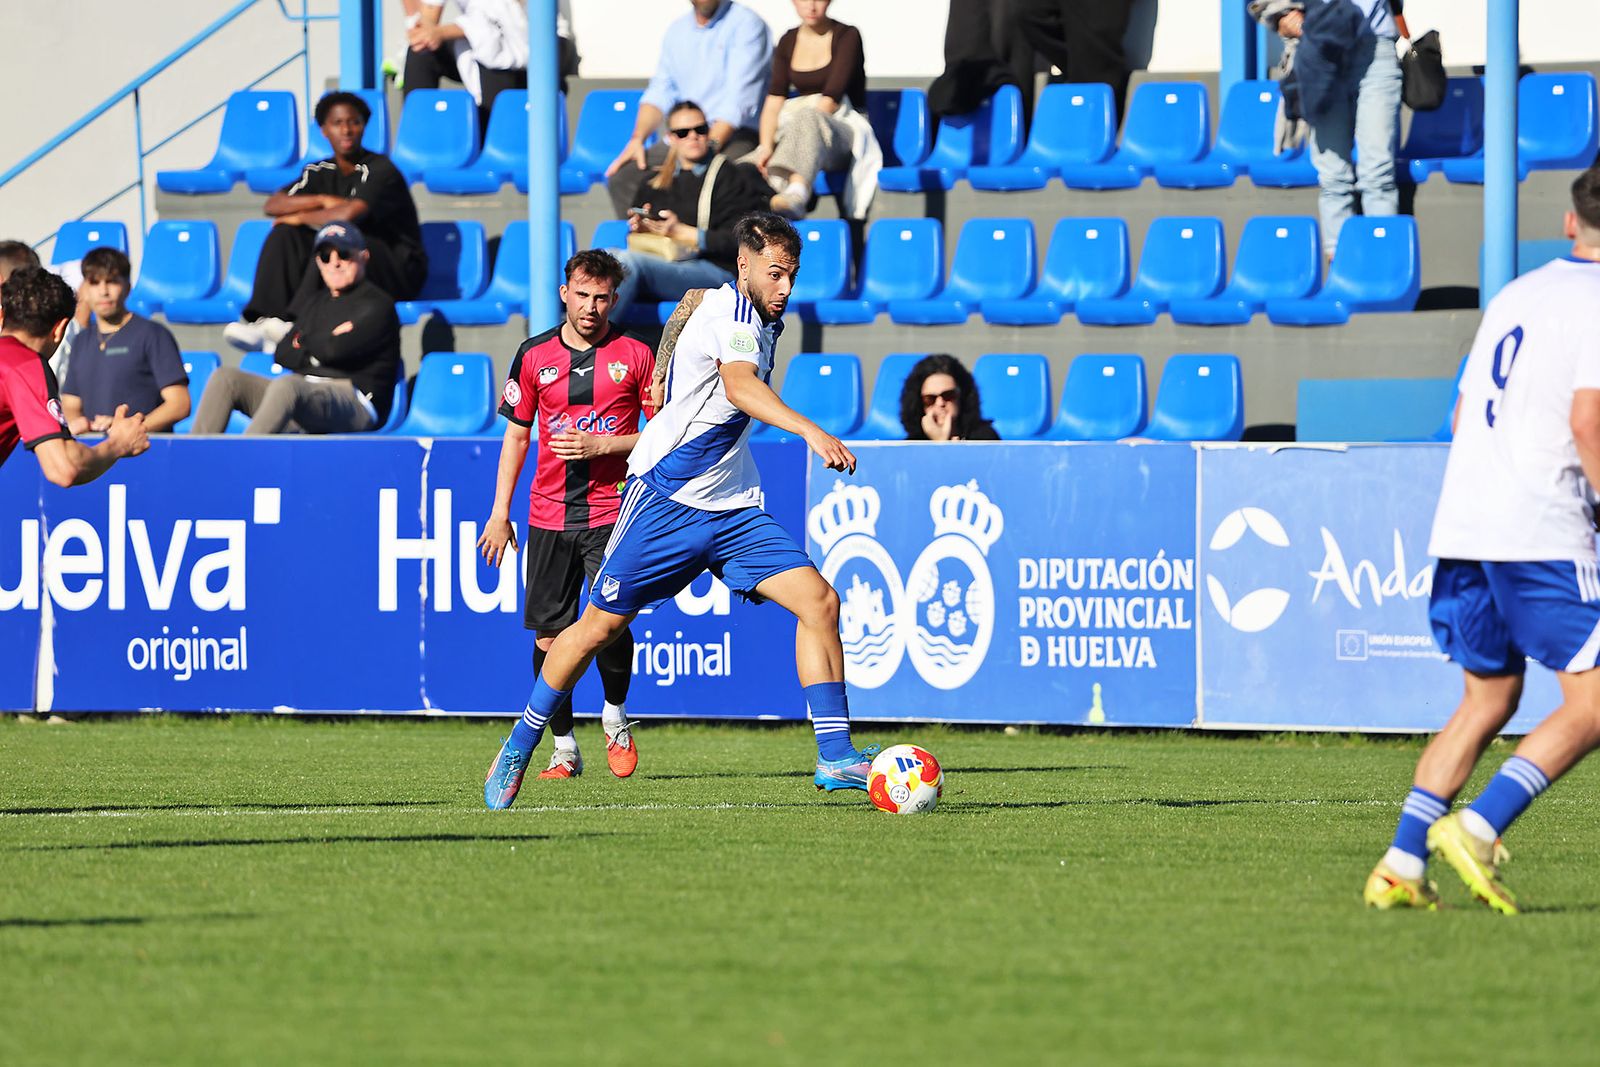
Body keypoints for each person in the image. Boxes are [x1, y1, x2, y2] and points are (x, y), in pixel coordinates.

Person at [483, 213, 870, 811]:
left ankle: (836, 755)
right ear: (744, 267)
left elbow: (695, 329)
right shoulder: (733, 314)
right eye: (775, 273)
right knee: (595, 629)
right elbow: (739, 386)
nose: (785, 287)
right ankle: (521, 741)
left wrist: (671, 352)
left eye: (791, 274)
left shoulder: (753, 314)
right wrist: (811, 434)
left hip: (732, 507)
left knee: (820, 602)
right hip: (666, 501)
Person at [1363, 167, 1600, 915]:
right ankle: (1479, 824)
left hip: (1469, 519)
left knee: (1489, 694)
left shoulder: (1516, 295)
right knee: (1594, 699)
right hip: (1541, 525)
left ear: (1570, 223)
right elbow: (1589, 420)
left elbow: (1465, 413)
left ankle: (1402, 860)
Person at [478, 249, 656, 780]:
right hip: (549, 515)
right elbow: (516, 434)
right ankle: (564, 748)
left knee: (609, 623)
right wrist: (498, 513)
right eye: (582, 295)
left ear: (614, 300)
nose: (591, 307)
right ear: (565, 293)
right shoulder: (533, 356)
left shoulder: (636, 354)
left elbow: (661, 434)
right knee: (549, 639)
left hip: (612, 512)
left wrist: (604, 446)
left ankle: (616, 715)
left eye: (602, 298)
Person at [225, 91, 426, 353]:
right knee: (285, 233)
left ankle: (293, 324)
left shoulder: (381, 169)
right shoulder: (319, 171)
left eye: (354, 122)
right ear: (323, 130)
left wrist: (299, 215)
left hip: (396, 269)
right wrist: (321, 199)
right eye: (337, 123)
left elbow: (348, 215)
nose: (346, 130)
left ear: (364, 126)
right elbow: (273, 205)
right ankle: (266, 321)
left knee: (332, 238)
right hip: (352, 261)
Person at [193, 224, 401, 435]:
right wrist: (322, 343)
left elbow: (335, 350)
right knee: (226, 379)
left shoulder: (378, 304)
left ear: (363, 256)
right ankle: (191, 461)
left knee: (287, 386)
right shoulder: (315, 303)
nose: (334, 263)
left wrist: (304, 341)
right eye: (325, 256)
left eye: (344, 254)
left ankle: (245, 460)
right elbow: (283, 352)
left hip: (354, 399)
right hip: (303, 398)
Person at [612, 101, 778, 321]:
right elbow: (639, 236)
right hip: (665, 262)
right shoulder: (654, 182)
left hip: (716, 270)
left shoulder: (732, 176)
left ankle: (591, 347)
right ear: (671, 138)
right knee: (606, 259)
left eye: (700, 129)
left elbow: (742, 241)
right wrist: (643, 228)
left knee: (625, 263)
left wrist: (684, 232)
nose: (693, 136)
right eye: (683, 132)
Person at [604, 0, 772, 217]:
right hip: (684, 135)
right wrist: (637, 139)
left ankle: (703, 243)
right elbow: (660, 91)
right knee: (624, 177)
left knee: (722, 176)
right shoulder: (677, 31)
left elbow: (738, 103)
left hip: (736, 135)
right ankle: (651, 241)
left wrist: (704, 149)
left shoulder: (747, 25)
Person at [1267, 0, 1402, 259]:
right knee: (1332, 174)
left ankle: (1383, 267)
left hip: (1375, 45)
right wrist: (1282, 15)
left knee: (1378, 172)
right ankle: (1342, 269)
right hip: (1321, 43)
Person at [0, 266, 148, 484]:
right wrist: (119, 444)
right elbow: (64, 468)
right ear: (60, 328)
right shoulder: (25, 365)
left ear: (3, 316)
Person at [753, 0, 881, 220]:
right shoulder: (788, 40)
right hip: (798, 128)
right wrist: (765, 146)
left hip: (842, 131)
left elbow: (831, 99)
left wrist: (783, 147)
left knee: (810, 117)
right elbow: (774, 100)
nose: (811, 6)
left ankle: (797, 193)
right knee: (744, 165)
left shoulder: (847, 35)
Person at [60, 247, 189, 435]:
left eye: (111, 282)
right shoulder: (81, 340)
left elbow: (179, 404)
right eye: (95, 283)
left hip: (143, 451)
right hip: (94, 454)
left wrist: (130, 429)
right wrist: (82, 425)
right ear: (84, 290)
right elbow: (71, 404)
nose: (103, 291)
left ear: (127, 287)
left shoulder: (153, 335)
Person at [401, 0, 529, 129]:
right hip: (476, 44)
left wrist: (440, 33)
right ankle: (416, 133)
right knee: (420, 52)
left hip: (514, 55)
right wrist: (422, 32)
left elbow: (502, 19)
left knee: (490, 56)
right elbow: (428, 19)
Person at [899, 354, 1000, 441]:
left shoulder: (984, 439)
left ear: (962, 396)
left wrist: (942, 443)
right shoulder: (911, 446)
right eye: (930, 399)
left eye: (948, 395)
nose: (940, 403)